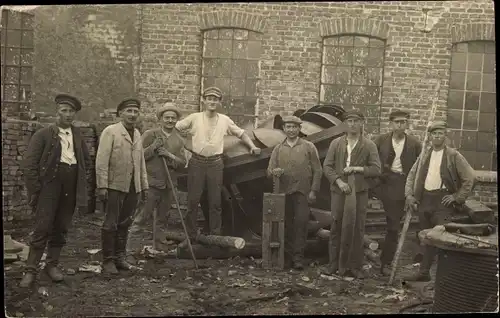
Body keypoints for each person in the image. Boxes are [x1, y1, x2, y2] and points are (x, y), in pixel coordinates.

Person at [20, 94, 91, 287]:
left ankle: (51, 265)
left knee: (61, 227)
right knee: (42, 227)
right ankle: (30, 270)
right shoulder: (43, 134)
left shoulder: (77, 135)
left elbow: (86, 161)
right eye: (64, 111)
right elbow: (29, 164)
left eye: (71, 112)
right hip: (49, 185)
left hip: (71, 183)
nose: (68, 115)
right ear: (57, 112)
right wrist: (37, 189)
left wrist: (82, 185)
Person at [175, 87, 261, 245]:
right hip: (196, 163)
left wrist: (252, 147)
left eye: (215, 99)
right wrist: (185, 145)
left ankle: (216, 237)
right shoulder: (194, 118)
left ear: (219, 102)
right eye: (209, 98)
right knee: (193, 201)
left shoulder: (224, 120)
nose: (212, 102)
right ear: (204, 100)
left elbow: (241, 133)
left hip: (215, 163)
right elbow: (175, 129)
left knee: (215, 201)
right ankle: (191, 236)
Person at [404, 121, 476, 282]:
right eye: (434, 133)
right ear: (430, 137)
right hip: (425, 200)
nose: (437, 136)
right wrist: (410, 195)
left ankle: (446, 277)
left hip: (443, 202)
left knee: (441, 237)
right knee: (426, 237)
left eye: (440, 133)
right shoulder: (424, 155)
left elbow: (470, 178)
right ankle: (424, 273)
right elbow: (411, 176)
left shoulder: (453, 155)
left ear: (445, 136)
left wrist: (457, 197)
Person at [322, 110, 381, 279]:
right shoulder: (336, 144)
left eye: (356, 121)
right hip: (339, 192)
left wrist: (357, 169)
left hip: (359, 192)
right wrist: (339, 182)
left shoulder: (369, 145)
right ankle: (333, 265)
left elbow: (376, 169)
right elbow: (327, 167)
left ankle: (355, 266)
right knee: (336, 226)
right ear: (345, 124)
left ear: (362, 123)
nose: (352, 124)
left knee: (357, 227)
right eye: (349, 121)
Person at [96, 98, 148, 274]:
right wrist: (102, 185)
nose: (133, 115)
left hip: (132, 186)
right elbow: (101, 160)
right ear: (120, 114)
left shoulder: (138, 134)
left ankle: (120, 257)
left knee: (125, 222)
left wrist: (143, 186)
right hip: (114, 185)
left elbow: (140, 163)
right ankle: (108, 260)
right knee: (111, 223)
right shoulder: (111, 132)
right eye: (129, 111)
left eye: (135, 111)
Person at [267, 115, 322, 270]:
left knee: (301, 224)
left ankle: (298, 258)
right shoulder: (278, 149)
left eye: (294, 127)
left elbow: (318, 170)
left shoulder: (309, 147)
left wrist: (313, 190)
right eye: (288, 127)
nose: (291, 130)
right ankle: (287, 258)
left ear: (299, 128)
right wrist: (274, 172)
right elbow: (269, 171)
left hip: (303, 192)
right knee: (286, 225)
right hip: (284, 193)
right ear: (283, 129)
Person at [373, 110, 422, 275]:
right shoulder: (380, 141)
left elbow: (420, 168)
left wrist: (413, 190)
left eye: (403, 122)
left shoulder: (414, 143)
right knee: (385, 222)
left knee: (393, 225)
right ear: (391, 124)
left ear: (407, 124)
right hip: (382, 182)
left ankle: (386, 262)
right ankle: (377, 260)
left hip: (402, 184)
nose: (400, 125)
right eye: (397, 122)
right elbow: (371, 159)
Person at [131, 102, 186, 232]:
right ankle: (131, 249)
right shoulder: (150, 134)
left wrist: (169, 155)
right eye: (167, 117)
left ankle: (159, 247)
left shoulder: (179, 139)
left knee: (163, 218)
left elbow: (183, 164)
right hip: (151, 184)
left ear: (177, 120)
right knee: (142, 217)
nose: (170, 120)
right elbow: (138, 156)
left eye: (173, 118)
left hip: (169, 185)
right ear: (160, 119)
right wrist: (153, 147)